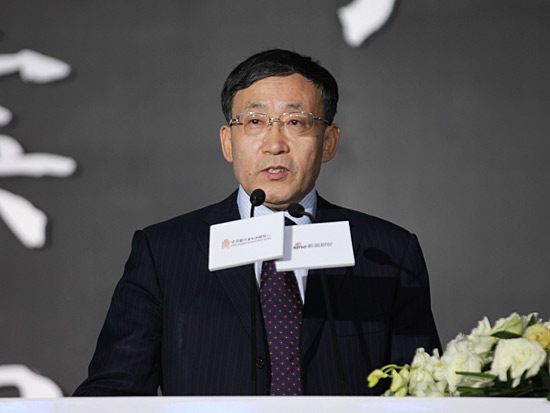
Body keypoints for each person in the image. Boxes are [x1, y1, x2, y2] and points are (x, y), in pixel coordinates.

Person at [74, 49, 440, 396]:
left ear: (328, 142)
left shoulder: (388, 253)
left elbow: (423, 392)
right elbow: (112, 393)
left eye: (295, 122)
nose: (274, 144)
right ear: (228, 142)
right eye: (254, 122)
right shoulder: (164, 252)